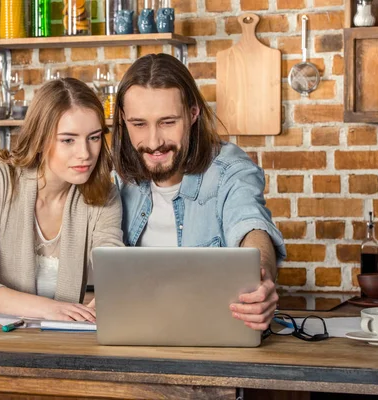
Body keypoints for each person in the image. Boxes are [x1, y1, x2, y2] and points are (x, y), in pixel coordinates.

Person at [111, 53, 287, 331]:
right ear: (123, 119)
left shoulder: (229, 169)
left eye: (168, 122)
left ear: (193, 113)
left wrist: (261, 276)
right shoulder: (115, 177)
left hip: (212, 340)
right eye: (139, 124)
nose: (154, 142)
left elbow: (251, 226)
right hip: (136, 334)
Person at [0, 78, 123, 322]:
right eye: (68, 140)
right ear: (40, 139)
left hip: (59, 340)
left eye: (94, 137)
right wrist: (51, 309)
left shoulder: (104, 195)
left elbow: (112, 267)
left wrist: (109, 295)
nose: (85, 154)